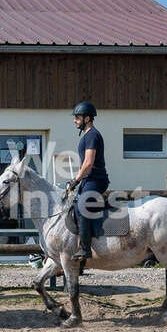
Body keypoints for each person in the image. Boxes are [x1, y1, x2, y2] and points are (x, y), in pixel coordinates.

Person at [65, 101, 109, 261]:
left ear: (87, 118)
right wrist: (76, 179)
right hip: (89, 179)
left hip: (96, 179)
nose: (74, 120)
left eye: (77, 117)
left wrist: (75, 181)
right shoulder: (87, 135)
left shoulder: (92, 135)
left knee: (81, 206)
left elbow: (88, 163)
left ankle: (85, 249)